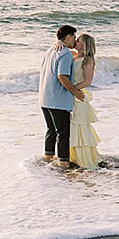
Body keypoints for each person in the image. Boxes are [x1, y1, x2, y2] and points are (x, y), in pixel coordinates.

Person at [38, 25, 85, 168]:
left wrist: (57, 41)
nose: (75, 40)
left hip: (44, 98)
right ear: (68, 37)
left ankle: (48, 157)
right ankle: (64, 162)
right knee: (63, 133)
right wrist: (76, 92)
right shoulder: (64, 53)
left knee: (51, 130)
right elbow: (62, 77)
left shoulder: (50, 50)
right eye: (74, 37)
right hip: (58, 100)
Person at [69, 33, 101, 169]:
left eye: (79, 41)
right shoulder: (73, 56)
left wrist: (72, 89)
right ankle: (72, 157)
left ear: (85, 45)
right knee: (70, 128)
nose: (75, 41)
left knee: (79, 127)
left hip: (77, 96)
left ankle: (82, 160)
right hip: (70, 94)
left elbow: (87, 81)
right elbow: (60, 47)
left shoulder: (88, 61)